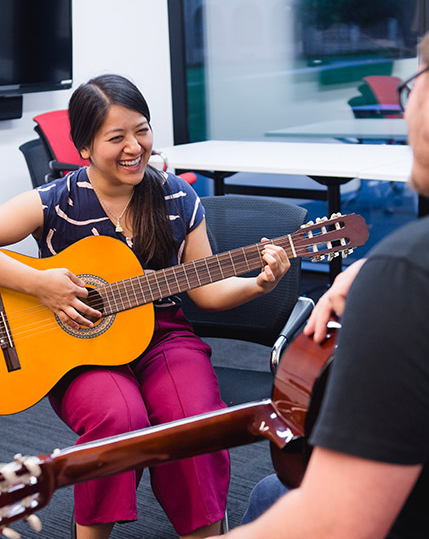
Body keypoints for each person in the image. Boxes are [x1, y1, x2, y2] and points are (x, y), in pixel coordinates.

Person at [0, 74, 291, 539]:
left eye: (143, 129)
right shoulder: (56, 202)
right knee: (120, 418)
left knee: (194, 419)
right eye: (116, 137)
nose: (135, 147)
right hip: (76, 345)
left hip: (163, 334)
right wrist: (38, 283)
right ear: (84, 147)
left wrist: (259, 284)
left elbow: (206, 292)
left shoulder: (176, 196)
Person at [207, 19, 429, 539]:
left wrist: (393, 275)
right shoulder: (406, 271)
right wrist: (368, 268)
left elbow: (336, 520)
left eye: (411, 88)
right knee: (270, 490)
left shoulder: (409, 277)